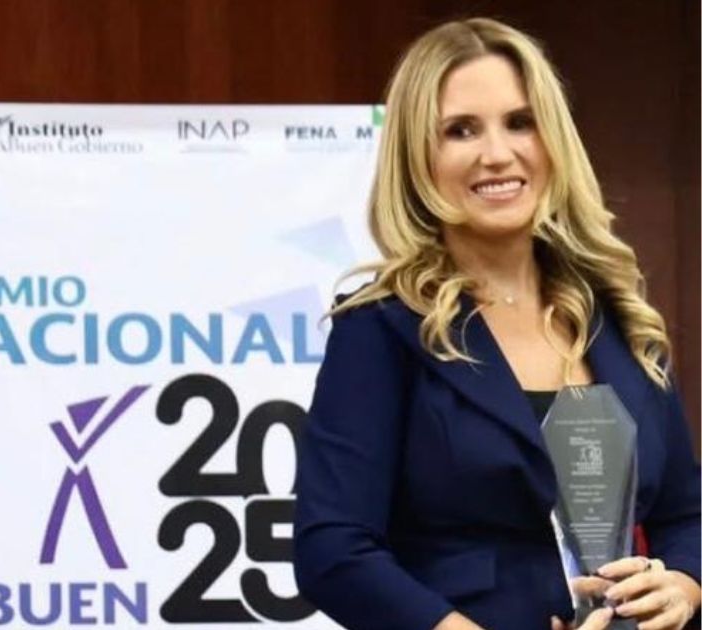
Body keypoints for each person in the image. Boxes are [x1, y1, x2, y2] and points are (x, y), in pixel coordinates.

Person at [291, 17, 701, 630]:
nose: (498, 154)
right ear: (417, 156)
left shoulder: (617, 315)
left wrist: (684, 586)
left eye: (520, 122)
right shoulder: (380, 329)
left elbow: (687, 514)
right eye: (461, 130)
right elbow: (333, 550)